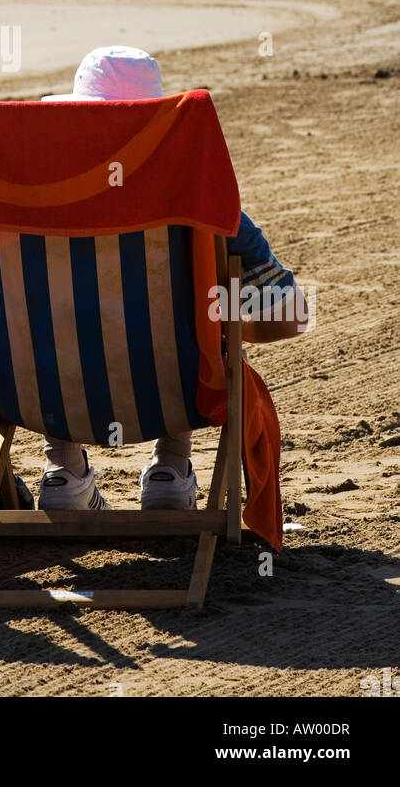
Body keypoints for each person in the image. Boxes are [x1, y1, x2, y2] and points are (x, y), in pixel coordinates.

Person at [36, 46, 309, 514]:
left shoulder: (21, 205)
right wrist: (223, 327)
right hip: (169, 392)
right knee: (195, 313)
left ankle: (62, 468)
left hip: (45, 390)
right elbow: (291, 316)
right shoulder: (205, 207)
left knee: (50, 314)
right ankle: (169, 465)